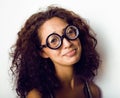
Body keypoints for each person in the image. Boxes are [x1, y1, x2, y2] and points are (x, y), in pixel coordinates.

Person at [10, 6, 101, 98]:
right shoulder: (37, 96)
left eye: (69, 32)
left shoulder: (93, 91)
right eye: (53, 40)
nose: (67, 43)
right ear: (43, 52)